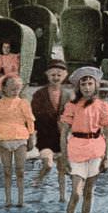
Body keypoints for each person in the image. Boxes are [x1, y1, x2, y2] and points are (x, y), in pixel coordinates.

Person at [59, 66, 108, 213]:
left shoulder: (103, 106)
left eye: (90, 83)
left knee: (89, 192)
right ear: (79, 87)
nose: (87, 87)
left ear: (95, 86)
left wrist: (107, 157)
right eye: (83, 84)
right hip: (76, 148)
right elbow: (64, 133)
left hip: (96, 149)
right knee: (76, 192)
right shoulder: (71, 105)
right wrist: (63, 156)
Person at [0, 76, 36, 207]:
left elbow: (30, 120)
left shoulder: (23, 103)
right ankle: (8, 200)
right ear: (4, 88)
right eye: (12, 87)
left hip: (21, 138)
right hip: (3, 139)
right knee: (7, 171)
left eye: (18, 87)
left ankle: (21, 200)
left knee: (20, 170)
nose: (15, 90)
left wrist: (31, 137)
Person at [31, 59, 70, 201]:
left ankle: (62, 197)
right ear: (47, 75)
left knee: (62, 169)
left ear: (64, 76)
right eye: (53, 75)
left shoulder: (68, 95)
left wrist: (65, 123)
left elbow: (72, 114)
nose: (56, 78)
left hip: (62, 136)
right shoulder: (39, 94)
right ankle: (39, 178)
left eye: (59, 75)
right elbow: (33, 115)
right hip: (45, 135)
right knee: (48, 164)